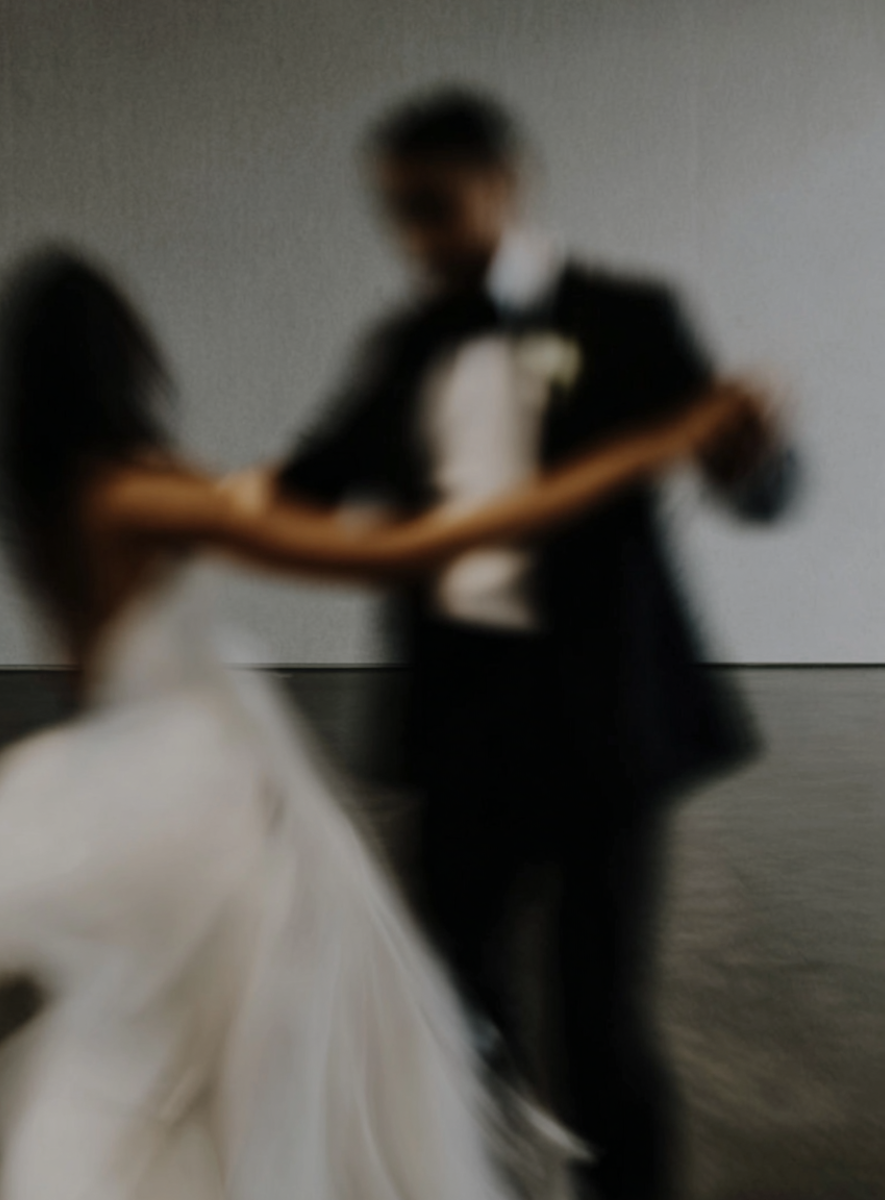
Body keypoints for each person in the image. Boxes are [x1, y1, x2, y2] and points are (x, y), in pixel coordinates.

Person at [0, 248, 762, 1200]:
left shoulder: (59, 507)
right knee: (271, 1046)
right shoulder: (137, 494)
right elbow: (393, 549)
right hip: (200, 794)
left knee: (158, 1046)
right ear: (113, 366)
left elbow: (247, 502)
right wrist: (637, 452)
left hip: (127, 770)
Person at [269, 88, 800, 1200]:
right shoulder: (405, 341)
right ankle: (486, 1178)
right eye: (395, 213)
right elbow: (310, 475)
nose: (412, 236)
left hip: (600, 724)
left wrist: (751, 455)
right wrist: (160, 493)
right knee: (446, 999)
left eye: (431, 206)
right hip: (459, 723)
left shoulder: (626, 315)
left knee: (598, 1023)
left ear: (503, 184)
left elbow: (745, 483)